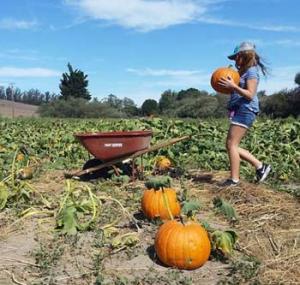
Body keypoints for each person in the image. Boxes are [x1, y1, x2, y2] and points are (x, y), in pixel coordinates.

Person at [217, 42, 271, 186]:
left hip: (246, 109)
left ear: (243, 56)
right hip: (241, 109)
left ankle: (234, 180)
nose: (234, 61)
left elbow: (250, 94)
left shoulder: (252, 71)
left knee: (231, 144)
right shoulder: (242, 73)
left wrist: (233, 86)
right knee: (232, 145)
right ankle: (260, 167)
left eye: (236, 58)